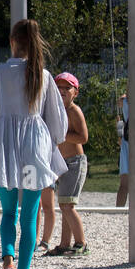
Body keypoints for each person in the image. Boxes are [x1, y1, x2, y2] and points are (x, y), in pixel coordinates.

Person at [0, 19, 68, 269]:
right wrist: (51, 145)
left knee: (8, 213)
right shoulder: (44, 75)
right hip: (34, 148)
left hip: (7, 148)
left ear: (12, 42)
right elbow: (58, 124)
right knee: (30, 218)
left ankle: (8, 263)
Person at [47, 72, 90, 257]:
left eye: (67, 88)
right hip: (61, 162)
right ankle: (65, 244)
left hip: (75, 163)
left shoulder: (74, 111)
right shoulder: (54, 110)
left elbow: (83, 137)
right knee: (64, 203)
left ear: (75, 92)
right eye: (59, 88)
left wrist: (61, 134)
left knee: (68, 206)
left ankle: (81, 243)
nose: (63, 91)